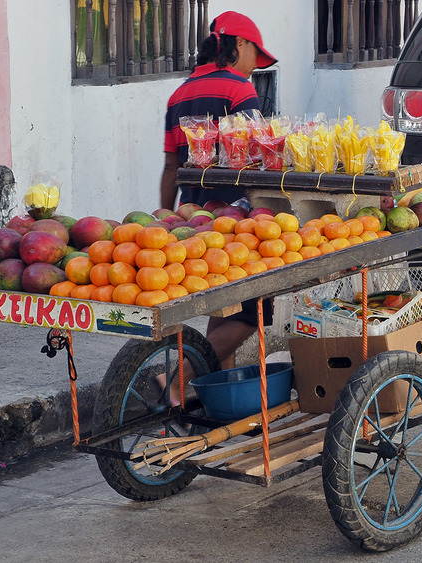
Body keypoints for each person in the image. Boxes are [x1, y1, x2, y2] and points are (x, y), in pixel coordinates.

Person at [159, 11, 277, 392]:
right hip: (233, 222)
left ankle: (220, 405)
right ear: (238, 44)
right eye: (253, 57)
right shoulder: (239, 91)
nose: (253, 68)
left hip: (193, 220)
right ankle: (179, 377)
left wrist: (166, 217)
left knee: (221, 307)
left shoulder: (177, 95)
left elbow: (170, 167)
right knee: (253, 313)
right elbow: (256, 157)